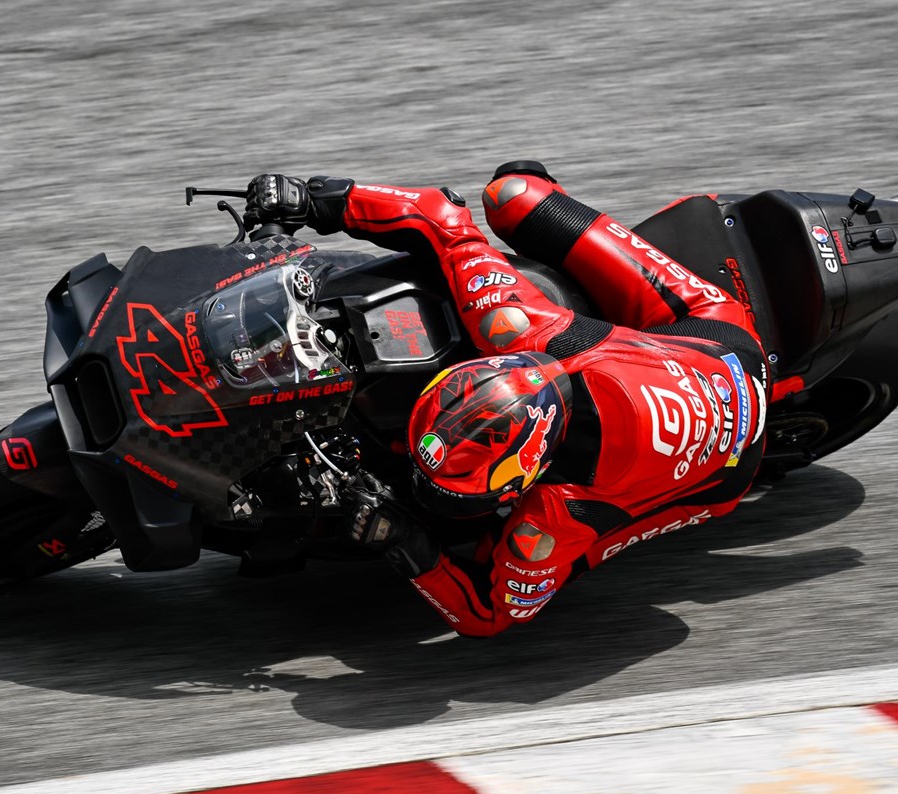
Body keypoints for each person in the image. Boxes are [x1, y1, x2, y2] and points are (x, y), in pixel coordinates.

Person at [245, 162, 769, 637]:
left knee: (554, 547)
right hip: (705, 346)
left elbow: (488, 615)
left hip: (727, 449)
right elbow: (439, 216)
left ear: (528, 475)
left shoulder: (555, 513)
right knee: (513, 191)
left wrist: (404, 540)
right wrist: (318, 200)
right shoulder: (517, 326)